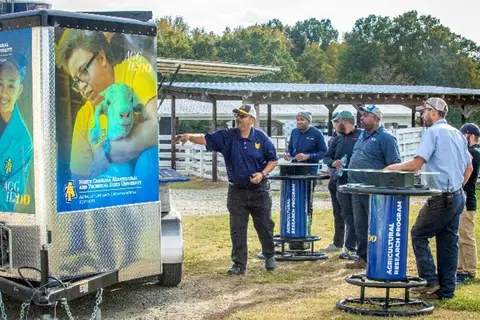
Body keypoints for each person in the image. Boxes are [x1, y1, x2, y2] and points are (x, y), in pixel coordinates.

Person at [56, 29, 158, 269]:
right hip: (108, 204)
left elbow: (154, 127)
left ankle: (138, 253)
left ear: (102, 58)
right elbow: (79, 178)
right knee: (97, 188)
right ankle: (106, 264)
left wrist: (109, 152)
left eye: (83, 72)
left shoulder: (134, 70)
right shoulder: (84, 116)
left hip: (139, 196)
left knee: (147, 159)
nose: (81, 87)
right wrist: (76, 239)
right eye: (76, 80)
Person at [173, 105, 278, 275]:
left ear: (252, 120)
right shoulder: (227, 136)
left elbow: (273, 160)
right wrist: (189, 136)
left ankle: (269, 256)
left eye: (243, 116)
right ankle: (239, 264)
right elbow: (206, 139)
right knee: (237, 228)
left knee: (265, 225)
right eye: (237, 115)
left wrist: (262, 173)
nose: (239, 119)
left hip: (259, 190)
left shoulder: (262, 138)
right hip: (237, 191)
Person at [386, 97, 473, 300]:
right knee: (448, 243)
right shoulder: (458, 134)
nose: (422, 115)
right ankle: (447, 291)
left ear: (433, 112)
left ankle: (429, 280)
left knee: (418, 234)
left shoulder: (432, 132)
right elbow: (468, 168)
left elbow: (416, 164)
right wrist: (458, 186)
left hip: (440, 197)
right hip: (457, 196)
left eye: (424, 111)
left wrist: (392, 167)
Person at [346, 105, 401, 269]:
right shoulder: (362, 135)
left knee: (376, 225)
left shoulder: (386, 138)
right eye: (362, 115)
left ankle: (380, 256)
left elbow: (394, 164)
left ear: (377, 118)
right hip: (357, 187)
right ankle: (363, 257)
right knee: (360, 224)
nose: (361, 118)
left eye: (366, 116)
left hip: (374, 190)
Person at [284, 111, 327, 249]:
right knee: (293, 201)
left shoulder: (316, 134)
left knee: (307, 202)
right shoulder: (294, 132)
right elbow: (291, 150)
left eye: (302, 119)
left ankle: (306, 234)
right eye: (297, 119)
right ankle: (293, 232)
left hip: (309, 172)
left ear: (308, 121)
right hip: (294, 172)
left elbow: (323, 152)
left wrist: (308, 156)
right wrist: (288, 155)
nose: (299, 122)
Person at [323, 110, 361, 259]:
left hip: (358, 181)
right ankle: (347, 245)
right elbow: (327, 156)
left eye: (337, 122)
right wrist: (333, 162)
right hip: (341, 181)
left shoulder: (361, 136)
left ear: (344, 122)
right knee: (345, 213)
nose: (335, 125)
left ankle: (356, 246)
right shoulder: (336, 139)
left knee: (358, 214)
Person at [0, 54, 33, 213]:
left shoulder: (23, 142)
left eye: (10, 86)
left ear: (19, 90)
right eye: (0, 84)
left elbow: (10, 197)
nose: (3, 93)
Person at [456, 123, 480, 283]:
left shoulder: (473, 152)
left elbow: (467, 171)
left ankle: (470, 269)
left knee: (466, 236)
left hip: (467, 199)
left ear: (470, 136)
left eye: (463, 135)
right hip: (465, 198)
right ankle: (460, 267)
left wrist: (459, 184)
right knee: (459, 235)